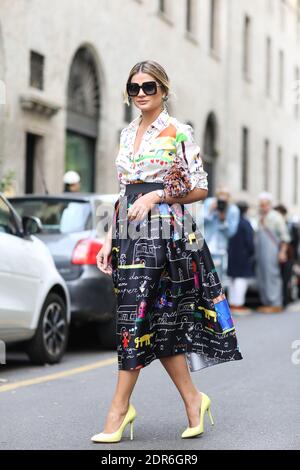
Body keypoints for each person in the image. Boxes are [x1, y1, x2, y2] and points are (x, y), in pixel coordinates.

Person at [91, 60, 243, 444]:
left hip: (166, 236)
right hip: (129, 234)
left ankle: (119, 410)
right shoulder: (126, 134)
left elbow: (201, 188)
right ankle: (194, 400)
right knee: (157, 322)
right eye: (134, 88)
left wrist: (158, 194)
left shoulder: (179, 132)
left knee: (135, 317)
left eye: (149, 87)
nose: (141, 94)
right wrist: (110, 238)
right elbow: (124, 191)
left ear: (164, 90)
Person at [255, 192, 290, 313]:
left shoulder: (276, 216)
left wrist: (282, 252)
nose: (263, 207)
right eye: (261, 204)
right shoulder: (259, 217)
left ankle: (275, 303)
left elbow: (284, 237)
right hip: (261, 251)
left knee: (272, 275)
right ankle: (266, 302)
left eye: (265, 204)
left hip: (272, 250)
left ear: (269, 204)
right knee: (262, 275)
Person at [203, 187, 240, 282]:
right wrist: (210, 211)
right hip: (205, 246)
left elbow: (231, 233)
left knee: (217, 279)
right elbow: (199, 222)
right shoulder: (209, 203)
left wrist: (223, 220)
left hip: (220, 250)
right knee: (203, 277)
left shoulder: (233, 210)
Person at [227, 201, 255, 315]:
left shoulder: (231, 222)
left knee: (232, 279)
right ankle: (238, 305)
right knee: (241, 280)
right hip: (243, 255)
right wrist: (251, 252)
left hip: (231, 254)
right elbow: (250, 242)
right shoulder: (245, 223)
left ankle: (232, 303)